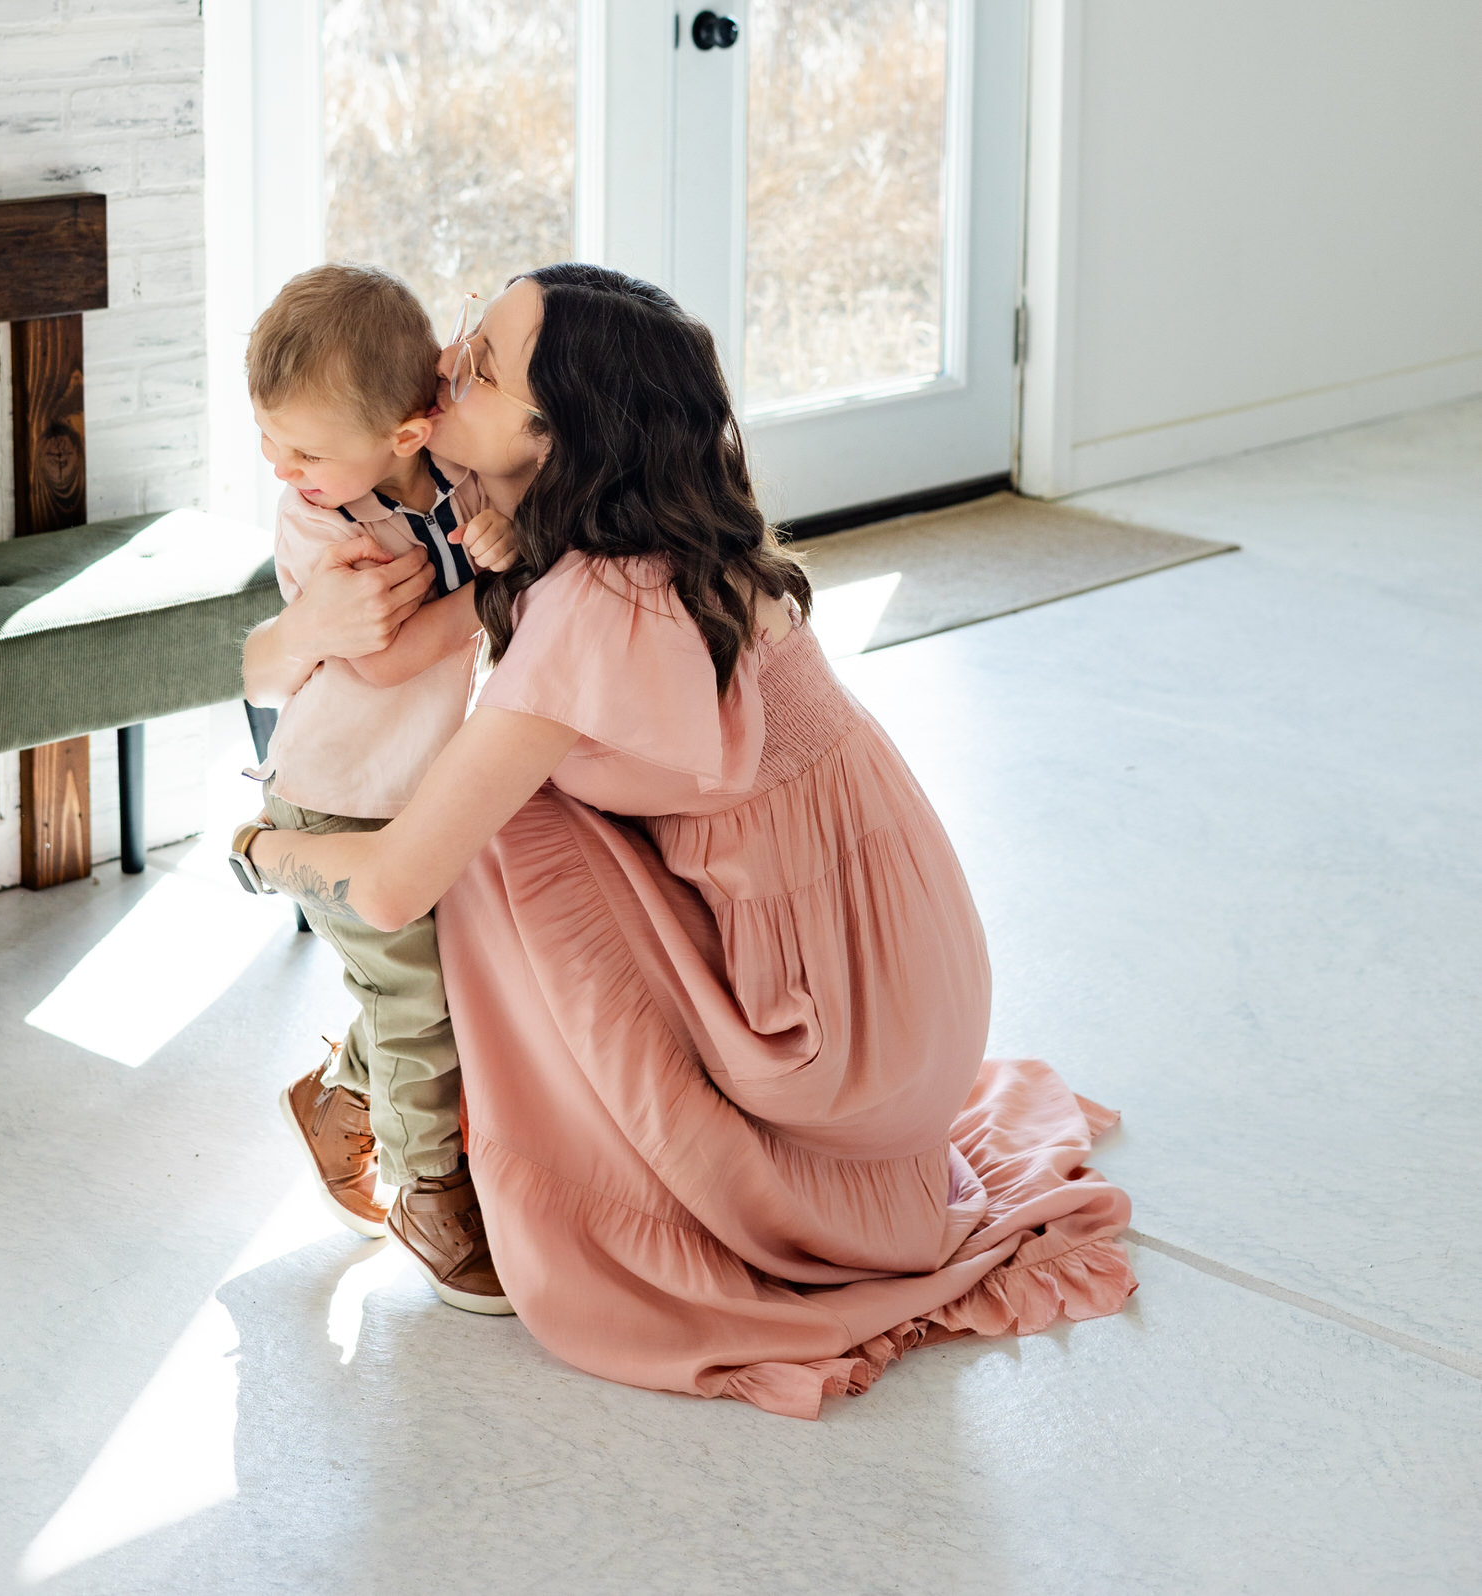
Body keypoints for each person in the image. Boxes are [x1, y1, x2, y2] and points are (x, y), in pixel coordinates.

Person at [240, 266, 1136, 1416]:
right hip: (906, 972)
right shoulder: (634, 519)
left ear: (554, 433)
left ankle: (405, 1130)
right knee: (495, 793)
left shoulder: (589, 605)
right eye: (467, 334)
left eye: (482, 364)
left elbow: (392, 879)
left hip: (836, 1033)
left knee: (484, 829)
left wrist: (261, 850)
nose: (445, 367)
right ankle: (360, 1094)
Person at [238, 263, 520, 1314]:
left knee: (439, 978)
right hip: (337, 799)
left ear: (407, 433)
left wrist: (498, 539)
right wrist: (501, 579)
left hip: (424, 787)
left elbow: (499, 525)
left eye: (303, 448)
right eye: (269, 438)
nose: (279, 465)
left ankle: (338, 1100)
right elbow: (389, 659)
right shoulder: (318, 523)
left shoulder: (447, 481)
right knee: (415, 996)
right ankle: (430, 1193)